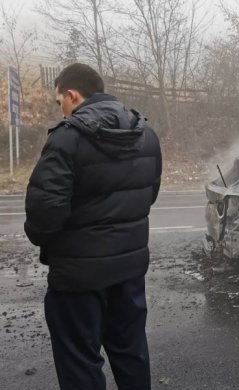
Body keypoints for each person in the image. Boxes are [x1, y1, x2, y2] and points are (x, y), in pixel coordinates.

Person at [24, 63, 162, 389]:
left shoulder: (67, 138)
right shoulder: (146, 135)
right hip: (129, 270)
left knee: (80, 359)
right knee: (131, 351)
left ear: (72, 94)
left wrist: (40, 236)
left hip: (78, 276)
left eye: (60, 102)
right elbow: (149, 195)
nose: (62, 110)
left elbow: (44, 215)